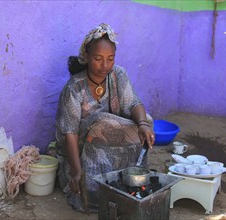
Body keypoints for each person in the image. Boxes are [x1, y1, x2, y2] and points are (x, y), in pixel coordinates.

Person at [55, 23, 155, 213]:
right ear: (86, 57)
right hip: (82, 151)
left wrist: (142, 124)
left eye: (110, 59)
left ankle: (128, 178)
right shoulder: (75, 88)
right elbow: (70, 134)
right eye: (98, 59)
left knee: (147, 122)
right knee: (101, 123)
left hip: (109, 140)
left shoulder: (118, 75)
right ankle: (92, 187)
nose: (105, 65)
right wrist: (77, 172)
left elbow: (134, 103)